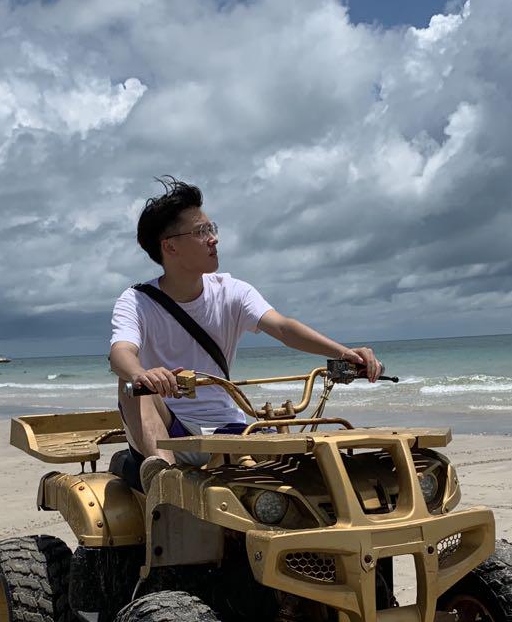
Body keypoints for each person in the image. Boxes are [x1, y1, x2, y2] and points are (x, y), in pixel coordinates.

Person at [109, 178, 382, 490]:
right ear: (170, 246)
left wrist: (344, 353)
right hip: (170, 432)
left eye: (212, 228)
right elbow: (121, 352)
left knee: (305, 469)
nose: (213, 239)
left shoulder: (232, 291)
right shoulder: (136, 301)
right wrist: (142, 374)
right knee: (131, 385)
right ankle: (165, 482)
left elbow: (283, 328)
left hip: (228, 428)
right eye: (201, 232)